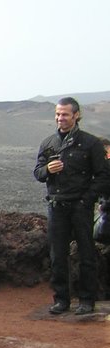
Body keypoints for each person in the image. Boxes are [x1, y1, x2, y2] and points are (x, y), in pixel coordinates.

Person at [34, 97, 110, 315]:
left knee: (87, 254)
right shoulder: (49, 143)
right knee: (57, 255)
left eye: (65, 114)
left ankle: (87, 300)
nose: (60, 118)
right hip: (57, 206)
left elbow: (103, 176)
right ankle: (61, 300)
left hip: (81, 206)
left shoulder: (91, 143)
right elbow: (38, 173)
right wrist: (48, 169)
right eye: (58, 114)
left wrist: (87, 199)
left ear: (76, 115)